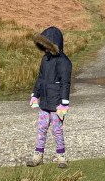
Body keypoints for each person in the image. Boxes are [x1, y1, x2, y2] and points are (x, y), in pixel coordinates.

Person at [26, 26, 72, 169]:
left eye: (47, 45)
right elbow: (40, 79)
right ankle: (38, 156)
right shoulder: (45, 59)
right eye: (43, 45)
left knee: (57, 130)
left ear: (53, 44)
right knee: (41, 128)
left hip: (57, 104)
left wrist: (64, 103)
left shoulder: (64, 62)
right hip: (45, 102)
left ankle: (61, 157)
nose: (45, 48)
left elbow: (65, 83)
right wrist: (35, 95)